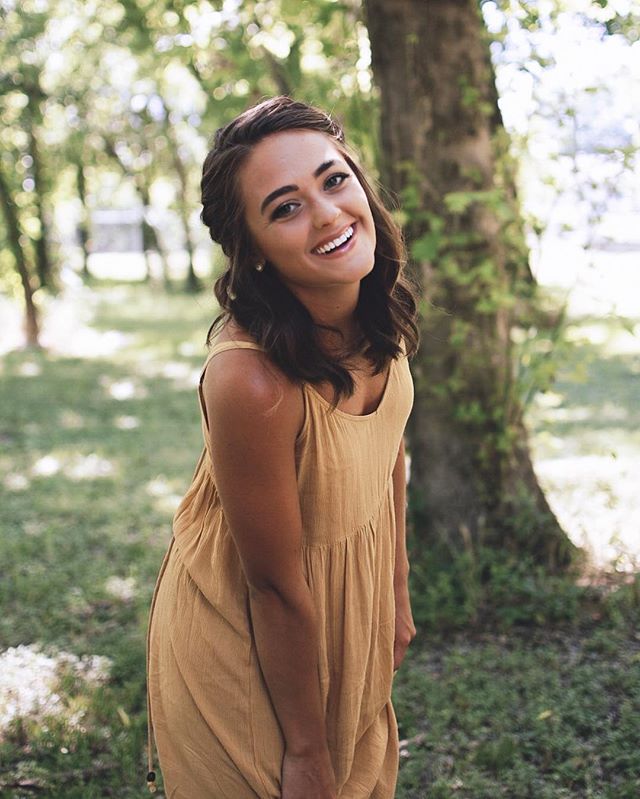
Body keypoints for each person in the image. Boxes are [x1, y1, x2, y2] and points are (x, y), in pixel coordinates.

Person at [146, 95, 419, 799]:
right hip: (245, 638)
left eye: (333, 180)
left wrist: (395, 594)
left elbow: (387, 455)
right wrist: (305, 751)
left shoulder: (375, 313)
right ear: (256, 253)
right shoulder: (251, 381)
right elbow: (272, 583)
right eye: (286, 207)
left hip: (344, 618)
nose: (327, 214)